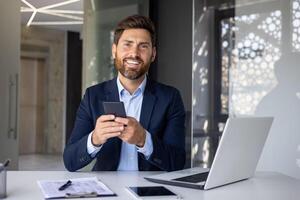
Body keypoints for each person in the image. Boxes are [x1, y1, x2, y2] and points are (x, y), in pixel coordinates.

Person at [63, 15, 186, 172]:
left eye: (143, 46)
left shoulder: (170, 98)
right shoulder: (93, 96)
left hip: (150, 193)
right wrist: (95, 139)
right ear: (114, 50)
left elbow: (177, 162)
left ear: (153, 54)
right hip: (107, 193)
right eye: (127, 45)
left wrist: (143, 139)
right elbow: (70, 161)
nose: (134, 53)